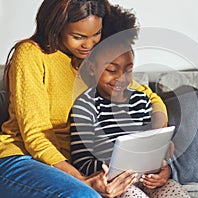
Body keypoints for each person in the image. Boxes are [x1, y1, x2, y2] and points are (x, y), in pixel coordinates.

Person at [0, 0, 167, 197]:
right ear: (57, 27)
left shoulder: (91, 61)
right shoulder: (31, 54)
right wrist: (82, 180)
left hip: (71, 165)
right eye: (78, 37)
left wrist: (155, 153)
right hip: (22, 158)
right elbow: (35, 136)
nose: (89, 44)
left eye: (96, 34)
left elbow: (150, 96)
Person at [69, 8, 190, 198]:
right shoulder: (85, 106)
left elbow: (151, 146)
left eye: (128, 70)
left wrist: (163, 169)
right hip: (114, 183)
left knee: (173, 189)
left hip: (144, 177)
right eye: (111, 70)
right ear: (92, 68)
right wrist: (115, 165)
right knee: (133, 194)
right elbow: (80, 160)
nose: (121, 78)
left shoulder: (140, 100)